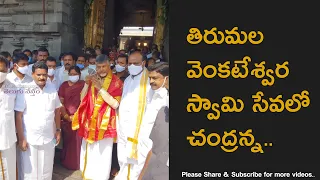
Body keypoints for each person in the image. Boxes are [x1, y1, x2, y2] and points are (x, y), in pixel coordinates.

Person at [72, 54, 123, 180]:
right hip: (89, 122)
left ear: (109, 65)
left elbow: (115, 104)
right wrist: (86, 84)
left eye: (104, 66)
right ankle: (87, 176)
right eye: (98, 67)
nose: (101, 70)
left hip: (106, 124)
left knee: (103, 153)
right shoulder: (92, 79)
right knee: (88, 150)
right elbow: (82, 98)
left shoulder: (116, 82)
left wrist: (100, 89)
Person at [15, 61, 62, 180]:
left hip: (48, 137)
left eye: (44, 75)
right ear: (32, 74)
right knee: (29, 171)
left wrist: (58, 130)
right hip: (30, 138)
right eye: (39, 74)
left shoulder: (52, 88)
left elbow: (57, 111)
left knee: (46, 169)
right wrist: (21, 139)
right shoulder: (25, 90)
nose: (42, 77)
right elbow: (18, 115)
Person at [115, 51, 152, 180]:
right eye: (129, 63)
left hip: (139, 129)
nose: (131, 66)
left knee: (136, 160)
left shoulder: (149, 81)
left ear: (143, 63)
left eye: (135, 63)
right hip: (124, 126)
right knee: (123, 155)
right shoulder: (129, 79)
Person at [138, 62, 169, 180]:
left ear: (166, 79)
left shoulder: (167, 99)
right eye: (150, 78)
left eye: (155, 78)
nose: (151, 81)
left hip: (157, 149)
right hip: (143, 142)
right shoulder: (150, 91)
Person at [59, 66, 85, 170]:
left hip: (80, 117)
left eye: (75, 74)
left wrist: (77, 115)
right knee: (68, 141)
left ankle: (78, 163)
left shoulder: (84, 85)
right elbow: (60, 101)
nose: (73, 76)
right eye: (71, 74)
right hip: (66, 118)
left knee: (78, 141)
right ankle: (66, 161)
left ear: (79, 75)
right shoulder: (64, 85)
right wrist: (66, 116)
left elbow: (86, 101)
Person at [0, 56, 17, 180]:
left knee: (9, 168)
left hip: (8, 135)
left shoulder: (13, 88)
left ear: (8, 69)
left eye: (2, 70)